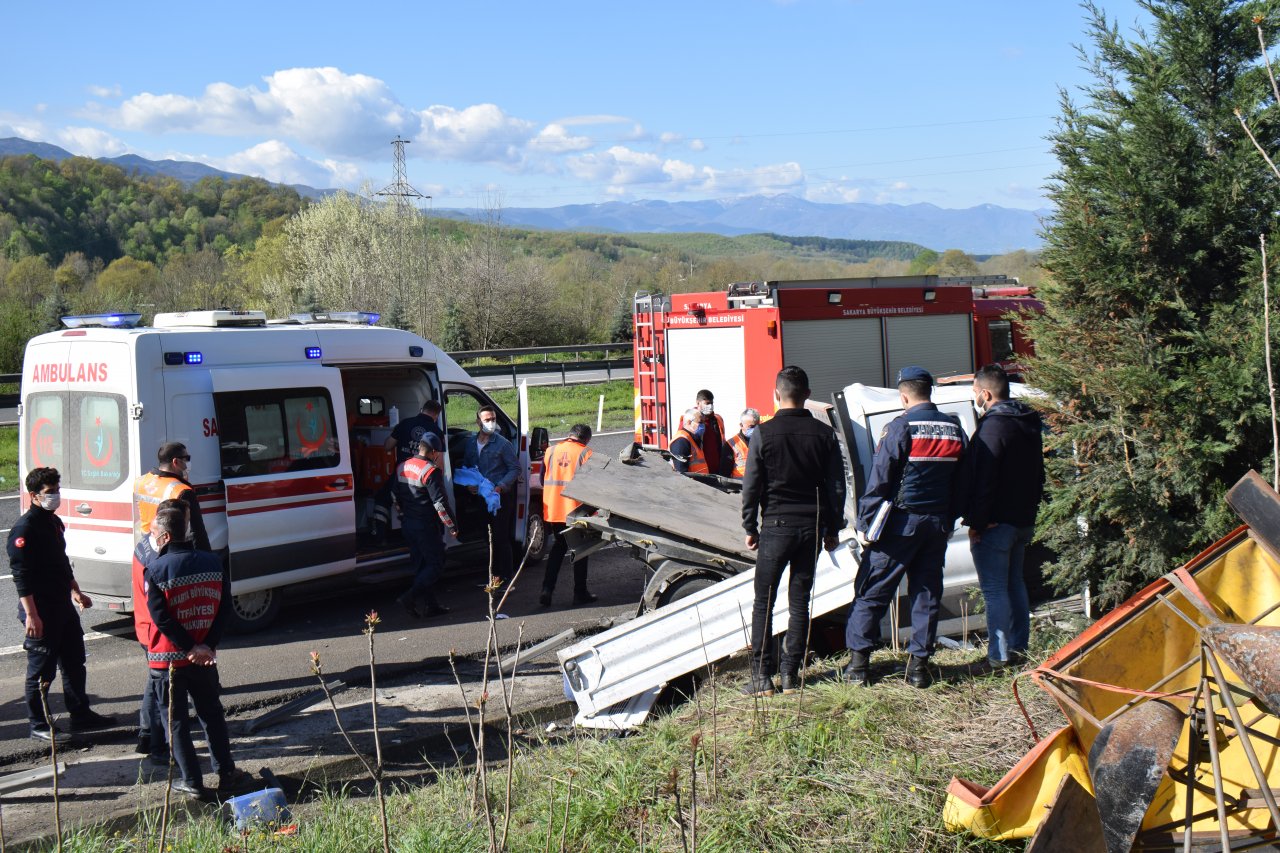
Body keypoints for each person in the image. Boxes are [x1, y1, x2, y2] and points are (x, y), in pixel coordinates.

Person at [844, 366, 967, 688]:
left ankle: (858, 667)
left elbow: (880, 478)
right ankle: (918, 669)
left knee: (872, 591)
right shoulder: (955, 427)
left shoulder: (901, 427)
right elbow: (963, 481)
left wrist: (866, 523)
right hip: (937, 526)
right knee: (926, 594)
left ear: (904, 395)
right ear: (930, 391)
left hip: (900, 525)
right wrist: (949, 518)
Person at [740, 367, 846, 697]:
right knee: (799, 602)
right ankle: (790, 675)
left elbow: (751, 485)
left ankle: (761, 678)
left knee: (764, 603)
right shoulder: (823, 434)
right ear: (807, 394)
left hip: (776, 527)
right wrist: (832, 527)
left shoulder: (762, 433)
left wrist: (750, 526)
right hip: (811, 526)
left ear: (776, 394)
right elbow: (836, 486)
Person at [144, 508, 252, 800]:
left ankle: (191, 780)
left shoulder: (155, 570)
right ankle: (227, 773)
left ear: (165, 536)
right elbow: (225, 608)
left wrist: (189, 647)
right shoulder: (213, 563)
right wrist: (206, 646)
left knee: (176, 721)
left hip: (169, 661)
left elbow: (161, 618)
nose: (151, 538)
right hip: (204, 658)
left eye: (153, 533)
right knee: (212, 714)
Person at [9, 467, 117, 742]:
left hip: (62, 607)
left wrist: (76, 591)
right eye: (49, 492)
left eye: (57, 490)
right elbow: (21, 577)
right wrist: (32, 615)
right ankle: (38, 724)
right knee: (41, 670)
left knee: (74, 662)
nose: (55, 496)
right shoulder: (25, 528)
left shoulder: (53, 522)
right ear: (33, 495)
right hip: (41, 611)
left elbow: (60, 562)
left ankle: (80, 714)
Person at [961, 364, 1045, 672]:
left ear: (985, 393)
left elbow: (985, 478)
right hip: (1022, 519)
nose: (975, 398)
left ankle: (997, 656)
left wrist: (977, 522)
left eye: (975, 393)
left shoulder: (994, 426)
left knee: (995, 589)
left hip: (996, 523)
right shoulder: (1027, 421)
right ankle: (1019, 649)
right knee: (1015, 585)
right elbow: (1038, 473)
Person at [132, 497, 187, 763]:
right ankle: (157, 745)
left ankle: (146, 735)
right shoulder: (157, 556)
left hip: (146, 626)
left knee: (154, 685)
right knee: (160, 691)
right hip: (156, 632)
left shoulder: (144, 543)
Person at [394, 432, 457, 618]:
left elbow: (394, 496)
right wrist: (452, 525)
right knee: (436, 564)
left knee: (421, 565)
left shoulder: (402, 466)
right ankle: (409, 597)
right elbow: (440, 503)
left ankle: (431, 605)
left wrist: (403, 515)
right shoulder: (430, 471)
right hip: (426, 526)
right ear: (434, 452)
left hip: (408, 525)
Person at [539, 424, 597, 608]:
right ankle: (580, 593)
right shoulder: (586, 453)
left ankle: (547, 589)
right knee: (580, 550)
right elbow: (592, 484)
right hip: (575, 509)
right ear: (586, 439)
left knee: (559, 547)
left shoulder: (551, 451)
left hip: (554, 509)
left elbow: (543, 479)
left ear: (570, 435)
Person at [373, 399, 445, 541]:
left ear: (421, 409)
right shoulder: (436, 431)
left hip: (401, 475)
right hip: (423, 478)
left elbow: (387, 446)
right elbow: (440, 463)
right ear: (436, 415)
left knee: (382, 499)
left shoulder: (405, 424)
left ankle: (379, 537)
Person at [463, 406, 519, 585]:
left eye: (493, 419)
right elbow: (467, 467)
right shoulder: (471, 443)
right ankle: (493, 577)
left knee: (501, 538)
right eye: (487, 420)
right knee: (488, 538)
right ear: (478, 421)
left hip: (500, 498)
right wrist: (468, 485)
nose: (491, 423)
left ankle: (507, 578)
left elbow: (515, 468)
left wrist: (501, 486)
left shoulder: (503, 443)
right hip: (481, 497)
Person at [134, 442, 211, 552]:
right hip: (170, 551)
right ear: (176, 462)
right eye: (186, 458)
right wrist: (206, 560)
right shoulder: (182, 491)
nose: (188, 463)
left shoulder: (140, 482)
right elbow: (197, 533)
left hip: (146, 547)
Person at [694, 390, 726, 475]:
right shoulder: (690, 420)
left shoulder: (717, 419)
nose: (710, 406)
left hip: (718, 469)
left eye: (712, 403)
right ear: (698, 403)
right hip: (700, 471)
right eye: (707, 403)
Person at [669, 408, 709, 474]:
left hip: (699, 482)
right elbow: (680, 472)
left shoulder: (694, 438)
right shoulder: (681, 441)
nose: (703, 425)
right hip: (691, 483)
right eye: (700, 422)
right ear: (689, 422)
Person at [726, 408, 761, 478]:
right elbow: (725, 474)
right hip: (738, 486)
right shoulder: (730, 445)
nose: (755, 429)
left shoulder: (763, 441)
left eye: (757, 426)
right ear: (741, 425)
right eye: (751, 427)